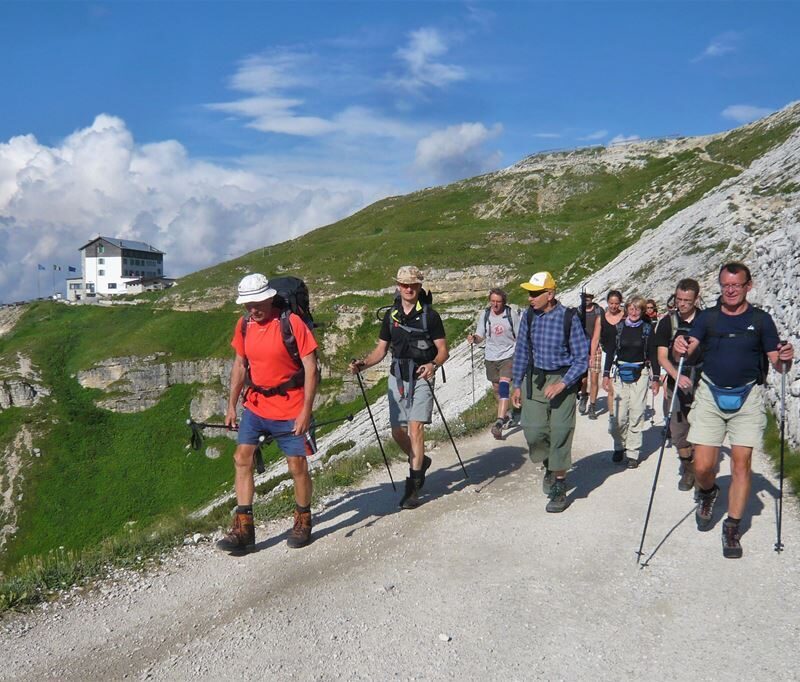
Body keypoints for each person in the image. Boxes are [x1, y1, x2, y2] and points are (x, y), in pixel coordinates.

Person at [674, 262, 793, 558]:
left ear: (747, 286)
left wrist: (785, 358)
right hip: (711, 395)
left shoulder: (761, 320)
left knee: (741, 463)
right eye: (725, 285)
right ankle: (708, 491)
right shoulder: (709, 319)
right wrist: (680, 346)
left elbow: (777, 362)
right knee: (702, 466)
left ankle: (732, 527)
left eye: (736, 285)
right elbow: (689, 350)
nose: (729, 290)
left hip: (748, 396)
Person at [218, 273, 319, 553]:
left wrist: (305, 411)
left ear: (269, 297)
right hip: (256, 404)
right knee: (241, 458)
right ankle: (243, 528)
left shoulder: (292, 323)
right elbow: (240, 365)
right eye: (246, 304)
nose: (252, 309)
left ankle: (303, 518)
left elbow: (311, 368)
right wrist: (231, 405)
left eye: (256, 302)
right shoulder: (244, 325)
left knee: (296, 464)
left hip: (290, 405)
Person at [349, 266, 449, 510]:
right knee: (397, 432)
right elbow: (381, 351)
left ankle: (413, 488)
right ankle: (420, 461)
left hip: (422, 375)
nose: (408, 288)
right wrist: (363, 364)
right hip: (397, 377)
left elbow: (443, 350)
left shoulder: (430, 316)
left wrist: (433, 364)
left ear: (419, 287)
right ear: (398, 286)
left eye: (412, 285)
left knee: (415, 428)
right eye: (404, 284)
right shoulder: (391, 316)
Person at [510, 271, 589, 513]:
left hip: (562, 379)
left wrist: (564, 383)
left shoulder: (569, 317)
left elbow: (581, 358)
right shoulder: (528, 317)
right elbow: (522, 349)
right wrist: (516, 384)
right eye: (529, 293)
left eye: (535, 293)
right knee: (534, 431)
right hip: (535, 378)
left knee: (561, 430)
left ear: (550, 294)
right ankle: (549, 463)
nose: (530, 298)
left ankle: (559, 483)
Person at [653, 278, 702, 491]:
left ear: (696, 299)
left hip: (702, 384)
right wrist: (676, 375)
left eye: (687, 301)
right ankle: (689, 470)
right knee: (679, 432)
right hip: (677, 381)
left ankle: (702, 471)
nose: (681, 304)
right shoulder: (668, 322)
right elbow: (662, 356)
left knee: (702, 431)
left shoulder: (705, 321)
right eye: (679, 299)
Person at [602, 295, 660, 468]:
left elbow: (653, 355)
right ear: (626, 309)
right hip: (620, 374)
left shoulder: (648, 329)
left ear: (642, 311)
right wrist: (606, 375)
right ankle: (620, 445)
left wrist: (655, 378)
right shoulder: (618, 328)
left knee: (636, 413)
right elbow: (611, 351)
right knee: (618, 419)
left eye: (638, 309)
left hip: (640, 374)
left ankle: (633, 453)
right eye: (631, 308)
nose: (634, 312)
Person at [468, 288, 520, 439]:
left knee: (504, 386)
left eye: (498, 302)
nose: (495, 305)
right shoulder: (485, 315)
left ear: (504, 302)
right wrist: (474, 339)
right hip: (491, 356)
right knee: (496, 389)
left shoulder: (511, 315)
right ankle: (507, 414)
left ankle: (499, 423)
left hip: (509, 355)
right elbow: (480, 335)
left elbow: (520, 335)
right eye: (493, 301)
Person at [577, 291, 603, 420]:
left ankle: (592, 406)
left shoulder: (599, 311)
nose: (586, 299)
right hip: (581, 347)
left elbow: (599, 332)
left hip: (596, 346)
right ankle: (583, 395)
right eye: (584, 297)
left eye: (589, 297)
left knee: (594, 378)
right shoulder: (578, 311)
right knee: (583, 378)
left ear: (593, 297)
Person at [599, 290, 625, 416]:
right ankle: (612, 414)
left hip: (623, 353)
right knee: (609, 386)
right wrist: (592, 355)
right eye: (611, 303)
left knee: (623, 384)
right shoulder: (602, 318)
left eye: (616, 303)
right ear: (607, 302)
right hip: (606, 353)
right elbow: (595, 338)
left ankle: (623, 411)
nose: (614, 306)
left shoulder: (626, 317)